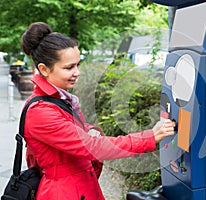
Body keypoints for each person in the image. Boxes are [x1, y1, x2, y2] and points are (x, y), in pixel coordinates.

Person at [21, 22, 174, 200]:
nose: (77, 72)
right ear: (44, 69)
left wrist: (90, 130)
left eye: (78, 65)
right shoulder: (40, 112)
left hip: (80, 186)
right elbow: (91, 147)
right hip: (64, 193)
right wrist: (149, 137)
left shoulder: (59, 99)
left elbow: (72, 137)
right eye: (69, 67)